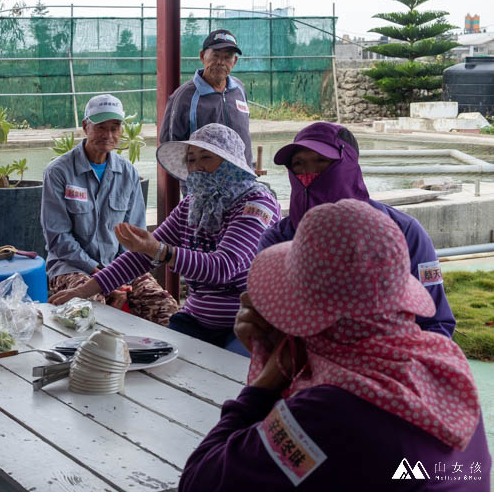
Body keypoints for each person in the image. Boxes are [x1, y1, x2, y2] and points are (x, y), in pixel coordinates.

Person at [181, 199, 490, 491]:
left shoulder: (326, 414)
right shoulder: (445, 361)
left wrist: (269, 378)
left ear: (303, 314)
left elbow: (200, 480)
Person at [52, 123, 280, 348]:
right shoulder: (193, 204)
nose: (197, 167)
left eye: (206, 157)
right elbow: (140, 256)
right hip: (198, 319)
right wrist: (82, 291)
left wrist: (160, 251)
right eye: (191, 159)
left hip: (249, 322)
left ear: (230, 162)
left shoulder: (256, 204)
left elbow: (222, 267)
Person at [238, 121, 455, 343]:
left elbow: (436, 321)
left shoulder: (403, 231)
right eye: (298, 164)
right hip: (305, 368)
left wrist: (404, 367)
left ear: (349, 165)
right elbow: (272, 318)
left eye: (321, 162)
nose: (308, 173)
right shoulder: (277, 239)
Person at [42, 94, 178, 325]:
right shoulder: (59, 172)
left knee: (166, 307)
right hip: (72, 267)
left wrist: (118, 276)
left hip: (122, 267)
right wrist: (99, 274)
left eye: (115, 127)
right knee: (90, 307)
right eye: (101, 127)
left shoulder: (128, 173)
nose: (108, 134)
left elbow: (134, 238)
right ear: (86, 127)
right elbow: (58, 237)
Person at [159, 29, 252, 167]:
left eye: (227, 57)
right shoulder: (183, 97)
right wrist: (195, 179)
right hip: (204, 184)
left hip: (242, 180)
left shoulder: (239, 89)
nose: (221, 62)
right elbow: (170, 146)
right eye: (215, 55)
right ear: (202, 56)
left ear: (235, 61)